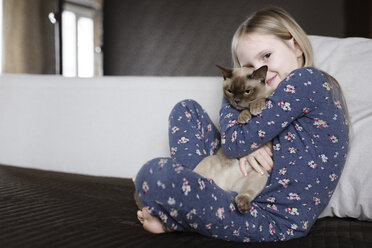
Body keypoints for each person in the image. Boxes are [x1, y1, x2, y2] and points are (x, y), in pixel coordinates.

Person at [134, 6, 349, 242]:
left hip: (269, 217)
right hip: (230, 182)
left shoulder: (307, 80)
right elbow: (240, 142)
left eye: (266, 56)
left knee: (153, 174)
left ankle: (173, 212)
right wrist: (238, 91)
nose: (258, 70)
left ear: (296, 46)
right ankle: (181, 198)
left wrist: (248, 141)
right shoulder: (263, 95)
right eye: (247, 66)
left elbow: (236, 144)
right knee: (186, 110)